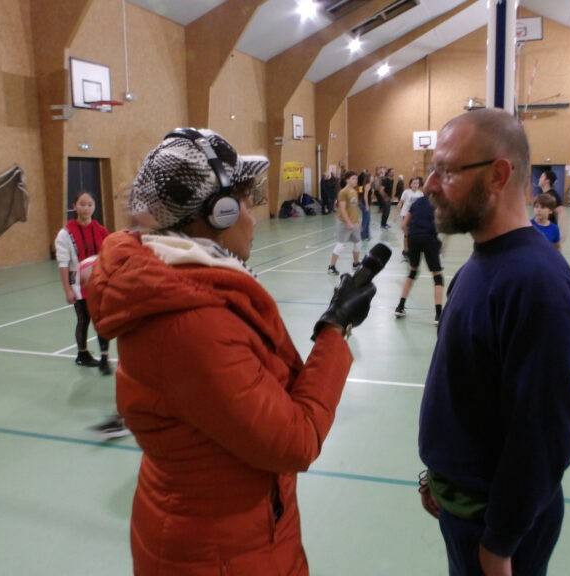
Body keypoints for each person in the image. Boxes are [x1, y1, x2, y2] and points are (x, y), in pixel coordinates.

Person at [86, 128, 378, 575]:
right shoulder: (193, 324)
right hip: (220, 552)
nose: (253, 216)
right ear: (217, 214)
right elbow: (294, 441)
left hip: (230, 536)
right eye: (243, 201)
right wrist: (335, 331)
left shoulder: (191, 292)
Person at [417, 108, 570, 576]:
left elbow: (543, 434)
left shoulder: (536, 284)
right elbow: (469, 388)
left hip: (495, 528)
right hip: (463, 504)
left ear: (498, 175)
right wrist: (440, 475)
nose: (430, 185)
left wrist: (500, 543)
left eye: (447, 170)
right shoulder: (481, 264)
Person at [54, 191, 111, 375]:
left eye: (89, 204)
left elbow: (109, 255)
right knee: (84, 318)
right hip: (79, 284)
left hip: (99, 282)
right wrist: (67, 290)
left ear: (94, 207)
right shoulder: (65, 233)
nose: (86, 208)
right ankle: (82, 354)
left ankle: (104, 358)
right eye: (82, 204)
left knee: (101, 319)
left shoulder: (101, 230)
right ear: (74, 206)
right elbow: (63, 264)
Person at [394, 191, 444, 324]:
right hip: (429, 238)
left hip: (413, 238)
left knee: (412, 272)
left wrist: (408, 238)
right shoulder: (438, 203)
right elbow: (442, 224)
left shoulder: (416, 203)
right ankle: (439, 315)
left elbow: (403, 225)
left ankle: (400, 307)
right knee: (437, 276)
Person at [328, 170, 363, 275]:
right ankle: (331, 267)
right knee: (340, 246)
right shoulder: (343, 192)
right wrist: (348, 222)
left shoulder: (355, 191)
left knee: (358, 244)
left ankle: (356, 264)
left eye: (356, 178)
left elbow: (355, 208)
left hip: (355, 223)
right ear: (347, 180)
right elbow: (342, 210)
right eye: (353, 178)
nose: (356, 180)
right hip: (344, 224)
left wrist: (359, 222)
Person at [397, 176, 425, 260]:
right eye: (414, 183)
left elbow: (422, 206)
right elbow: (401, 202)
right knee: (407, 234)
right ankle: (406, 250)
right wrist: (395, 214)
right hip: (406, 215)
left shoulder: (420, 194)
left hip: (416, 216)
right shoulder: (406, 192)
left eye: (417, 183)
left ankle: (413, 249)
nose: (415, 185)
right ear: (410, 184)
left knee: (414, 234)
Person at [537, 169, 567, 239]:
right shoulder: (543, 195)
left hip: (549, 231)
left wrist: (564, 233)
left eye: (541, 177)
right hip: (542, 229)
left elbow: (561, 213)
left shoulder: (552, 195)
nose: (539, 179)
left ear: (547, 181)